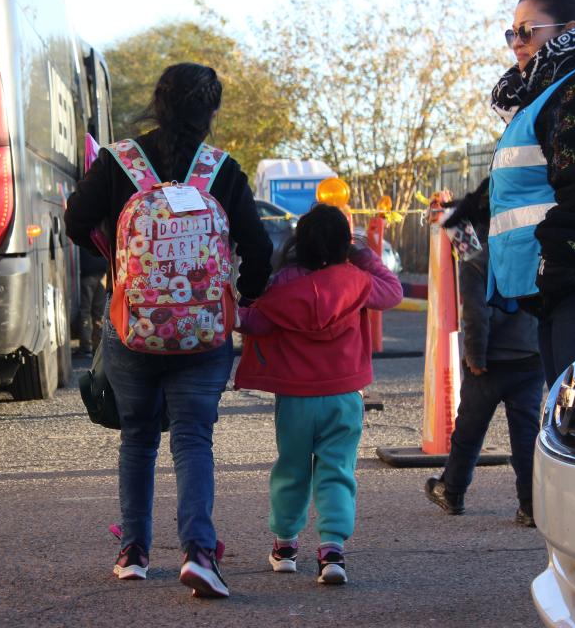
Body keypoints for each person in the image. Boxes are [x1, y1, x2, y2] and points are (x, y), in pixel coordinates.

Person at [64, 63, 273, 598]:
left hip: (132, 328)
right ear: (212, 110)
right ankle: (199, 552)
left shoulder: (117, 161)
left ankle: (133, 552)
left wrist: (119, 263)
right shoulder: (222, 171)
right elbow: (258, 247)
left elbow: (73, 219)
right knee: (192, 439)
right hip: (204, 333)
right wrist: (242, 294)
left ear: (158, 104)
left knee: (137, 437)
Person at [234, 204, 402, 585]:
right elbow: (393, 291)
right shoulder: (356, 281)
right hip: (344, 395)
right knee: (337, 470)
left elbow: (255, 321)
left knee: (291, 469)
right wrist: (364, 254)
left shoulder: (284, 283)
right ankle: (332, 552)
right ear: (345, 245)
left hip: (294, 397)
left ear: (299, 243)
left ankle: (285, 547)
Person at [424, 179, 543, 527]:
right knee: (525, 434)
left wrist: (475, 356)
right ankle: (531, 505)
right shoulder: (533, 240)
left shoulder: (474, 248)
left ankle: (453, 491)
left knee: (470, 429)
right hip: (530, 356)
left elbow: (476, 310)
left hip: (491, 361)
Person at [490, 0, 575, 387]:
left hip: (567, 282)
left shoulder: (569, 93)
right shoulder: (539, 96)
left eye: (527, 31)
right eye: (511, 33)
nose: (517, 44)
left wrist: (555, 261)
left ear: (569, 31)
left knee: (569, 422)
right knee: (562, 417)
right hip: (551, 287)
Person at [75, 246, 106, 356]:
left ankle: (86, 347)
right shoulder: (99, 229)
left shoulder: (82, 231)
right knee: (99, 312)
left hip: (87, 274)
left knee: (85, 311)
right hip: (103, 273)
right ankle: (99, 347)